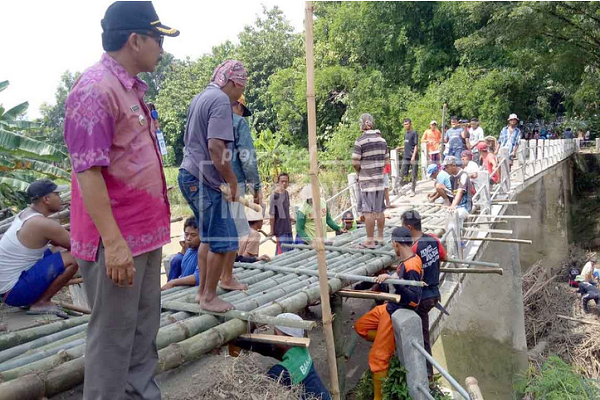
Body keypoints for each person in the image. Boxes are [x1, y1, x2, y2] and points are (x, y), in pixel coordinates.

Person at [63, 3, 179, 398]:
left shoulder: (127, 88)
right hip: (118, 240)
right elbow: (88, 172)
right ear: (135, 40)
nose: (162, 49)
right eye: (158, 39)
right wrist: (113, 243)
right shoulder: (94, 90)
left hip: (143, 236)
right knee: (113, 340)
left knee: (143, 332)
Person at [179, 59, 248, 312]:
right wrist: (231, 181)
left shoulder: (201, 97)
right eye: (242, 87)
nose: (241, 94)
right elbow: (216, 147)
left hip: (191, 175)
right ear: (232, 82)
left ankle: (202, 293)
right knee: (225, 237)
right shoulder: (220, 101)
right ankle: (209, 296)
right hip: (202, 179)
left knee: (209, 236)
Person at [354, 227, 423, 400]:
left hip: (396, 311)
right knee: (360, 326)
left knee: (377, 359)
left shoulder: (412, 265)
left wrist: (395, 281)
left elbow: (415, 300)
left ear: (396, 243)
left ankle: (379, 397)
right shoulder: (406, 259)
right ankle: (387, 344)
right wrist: (387, 278)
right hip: (389, 306)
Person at [0, 180, 78, 319]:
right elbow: (77, 247)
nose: (60, 198)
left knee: (58, 248)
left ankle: (36, 298)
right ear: (46, 199)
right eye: (57, 194)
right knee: (74, 257)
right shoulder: (41, 223)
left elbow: (57, 242)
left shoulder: (27, 214)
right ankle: (42, 302)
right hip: (14, 292)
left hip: (8, 289)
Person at [233, 313, 332, 400]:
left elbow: (259, 389)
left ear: (286, 338)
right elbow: (269, 349)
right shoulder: (302, 351)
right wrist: (238, 341)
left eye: (275, 333)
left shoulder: (280, 371)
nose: (272, 337)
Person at [401, 210, 447, 382]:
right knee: (423, 335)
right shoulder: (433, 239)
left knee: (422, 338)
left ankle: (427, 375)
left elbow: (408, 274)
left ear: (409, 226)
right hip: (435, 293)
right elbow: (445, 257)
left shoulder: (412, 249)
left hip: (423, 298)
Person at [352, 113, 388, 248]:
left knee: (368, 212)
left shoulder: (360, 141)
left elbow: (355, 162)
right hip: (379, 180)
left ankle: (370, 240)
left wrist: (360, 172)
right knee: (380, 210)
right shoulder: (382, 141)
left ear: (364, 124)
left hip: (367, 181)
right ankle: (380, 236)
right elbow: (386, 161)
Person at [268, 173, 295, 256]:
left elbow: (286, 209)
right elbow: (272, 216)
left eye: (286, 181)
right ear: (278, 182)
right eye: (282, 181)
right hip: (280, 230)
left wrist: (290, 218)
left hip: (288, 228)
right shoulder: (274, 196)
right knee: (283, 254)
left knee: (290, 252)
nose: (284, 183)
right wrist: (272, 231)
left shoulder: (286, 194)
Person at [443, 156, 472, 223]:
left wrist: (453, 205)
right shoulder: (451, 178)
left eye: (447, 167)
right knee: (448, 214)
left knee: (457, 215)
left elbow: (460, 192)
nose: (445, 169)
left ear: (453, 165)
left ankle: (458, 232)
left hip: (465, 206)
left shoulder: (463, 175)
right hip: (457, 205)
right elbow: (454, 195)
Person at [397, 118, 419, 197]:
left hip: (413, 157)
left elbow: (416, 146)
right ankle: (398, 188)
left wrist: (413, 156)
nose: (406, 126)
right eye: (405, 124)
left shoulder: (414, 133)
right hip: (406, 157)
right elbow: (408, 144)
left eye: (407, 124)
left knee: (413, 174)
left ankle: (413, 190)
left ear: (410, 124)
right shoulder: (405, 134)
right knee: (402, 173)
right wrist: (401, 147)